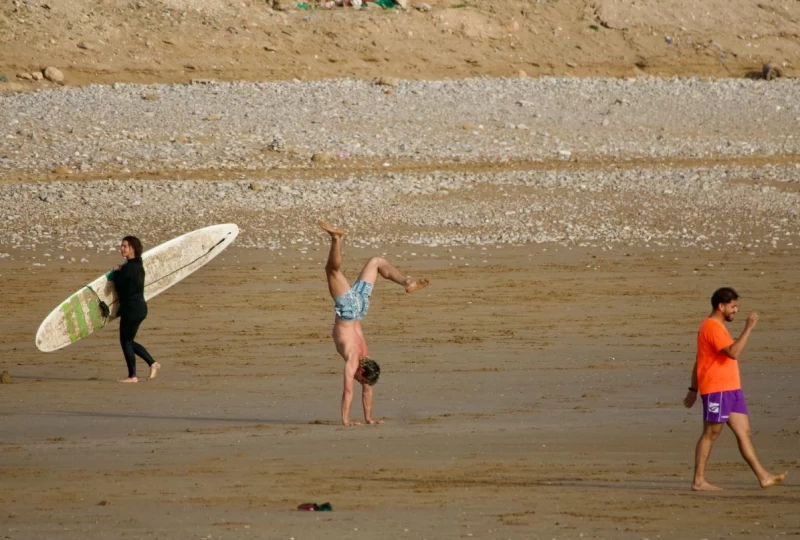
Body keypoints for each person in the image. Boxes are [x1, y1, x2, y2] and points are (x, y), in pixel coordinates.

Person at [319, 220, 429, 426]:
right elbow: (348, 390)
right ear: (361, 371)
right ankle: (336, 239)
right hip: (349, 310)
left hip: (361, 309)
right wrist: (346, 419)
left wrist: (369, 418)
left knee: (377, 261)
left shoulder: (367, 357)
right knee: (332, 271)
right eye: (360, 378)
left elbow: (368, 387)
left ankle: (406, 281)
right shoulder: (353, 360)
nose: (360, 382)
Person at [683, 287, 787, 491]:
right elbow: (733, 353)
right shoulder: (711, 327)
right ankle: (698, 481)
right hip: (717, 389)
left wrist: (692, 388)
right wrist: (748, 328)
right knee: (711, 433)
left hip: (731, 389)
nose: (736, 311)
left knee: (744, 431)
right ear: (720, 306)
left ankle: (763, 476)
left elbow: (700, 360)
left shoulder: (719, 326)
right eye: (733, 306)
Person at [112, 236, 161, 383]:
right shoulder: (138, 265)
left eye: (125, 246)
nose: (122, 248)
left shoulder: (128, 269)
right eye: (121, 246)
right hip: (140, 308)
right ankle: (153, 364)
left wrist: (116, 272)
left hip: (131, 310)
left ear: (133, 248)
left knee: (126, 341)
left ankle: (133, 376)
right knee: (129, 341)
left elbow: (119, 286)